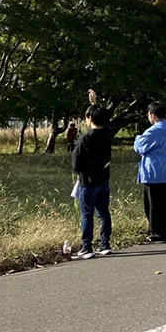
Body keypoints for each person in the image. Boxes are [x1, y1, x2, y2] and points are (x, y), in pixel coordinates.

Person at [70, 89, 112, 259]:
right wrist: (94, 104)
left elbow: (76, 161)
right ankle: (105, 244)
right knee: (103, 213)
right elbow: (101, 118)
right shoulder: (107, 134)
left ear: (89, 118)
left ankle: (86, 247)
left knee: (86, 214)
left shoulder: (85, 138)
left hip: (87, 181)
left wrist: (80, 173)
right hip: (103, 179)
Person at [133, 101, 166, 243]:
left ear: (152, 115)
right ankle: (165, 230)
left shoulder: (154, 131)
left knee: (151, 205)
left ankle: (156, 232)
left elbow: (140, 147)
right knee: (162, 203)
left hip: (153, 172)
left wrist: (137, 138)